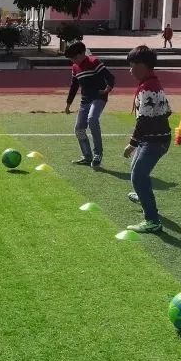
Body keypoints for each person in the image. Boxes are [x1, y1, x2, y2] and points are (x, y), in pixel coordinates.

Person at [122, 46, 172, 234]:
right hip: (154, 139)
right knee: (136, 170)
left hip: (154, 141)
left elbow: (143, 120)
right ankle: (143, 196)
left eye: (133, 66)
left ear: (143, 66)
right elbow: (168, 110)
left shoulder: (148, 88)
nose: (130, 70)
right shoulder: (153, 83)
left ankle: (152, 220)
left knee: (138, 175)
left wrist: (132, 144)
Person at [63, 42, 115, 168]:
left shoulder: (94, 62)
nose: (73, 61)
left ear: (82, 53)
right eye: (71, 59)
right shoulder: (75, 67)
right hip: (85, 100)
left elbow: (110, 77)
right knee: (79, 129)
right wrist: (68, 104)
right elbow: (74, 86)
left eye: (75, 58)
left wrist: (107, 90)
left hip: (98, 97)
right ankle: (87, 156)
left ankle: (97, 154)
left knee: (92, 119)